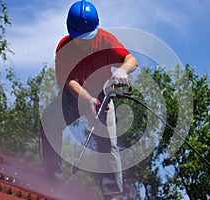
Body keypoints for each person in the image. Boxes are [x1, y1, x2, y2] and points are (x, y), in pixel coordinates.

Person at [40, 0, 138, 199]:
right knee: (49, 121)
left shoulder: (106, 41)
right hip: (74, 97)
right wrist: (87, 100)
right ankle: (52, 182)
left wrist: (122, 70)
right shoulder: (64, 48)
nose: (84, 42)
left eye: (88, 37)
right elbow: (71, 82)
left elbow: (131, 61)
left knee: (108, 145)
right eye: (80, 38)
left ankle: (113, 196)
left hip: (103, 97)